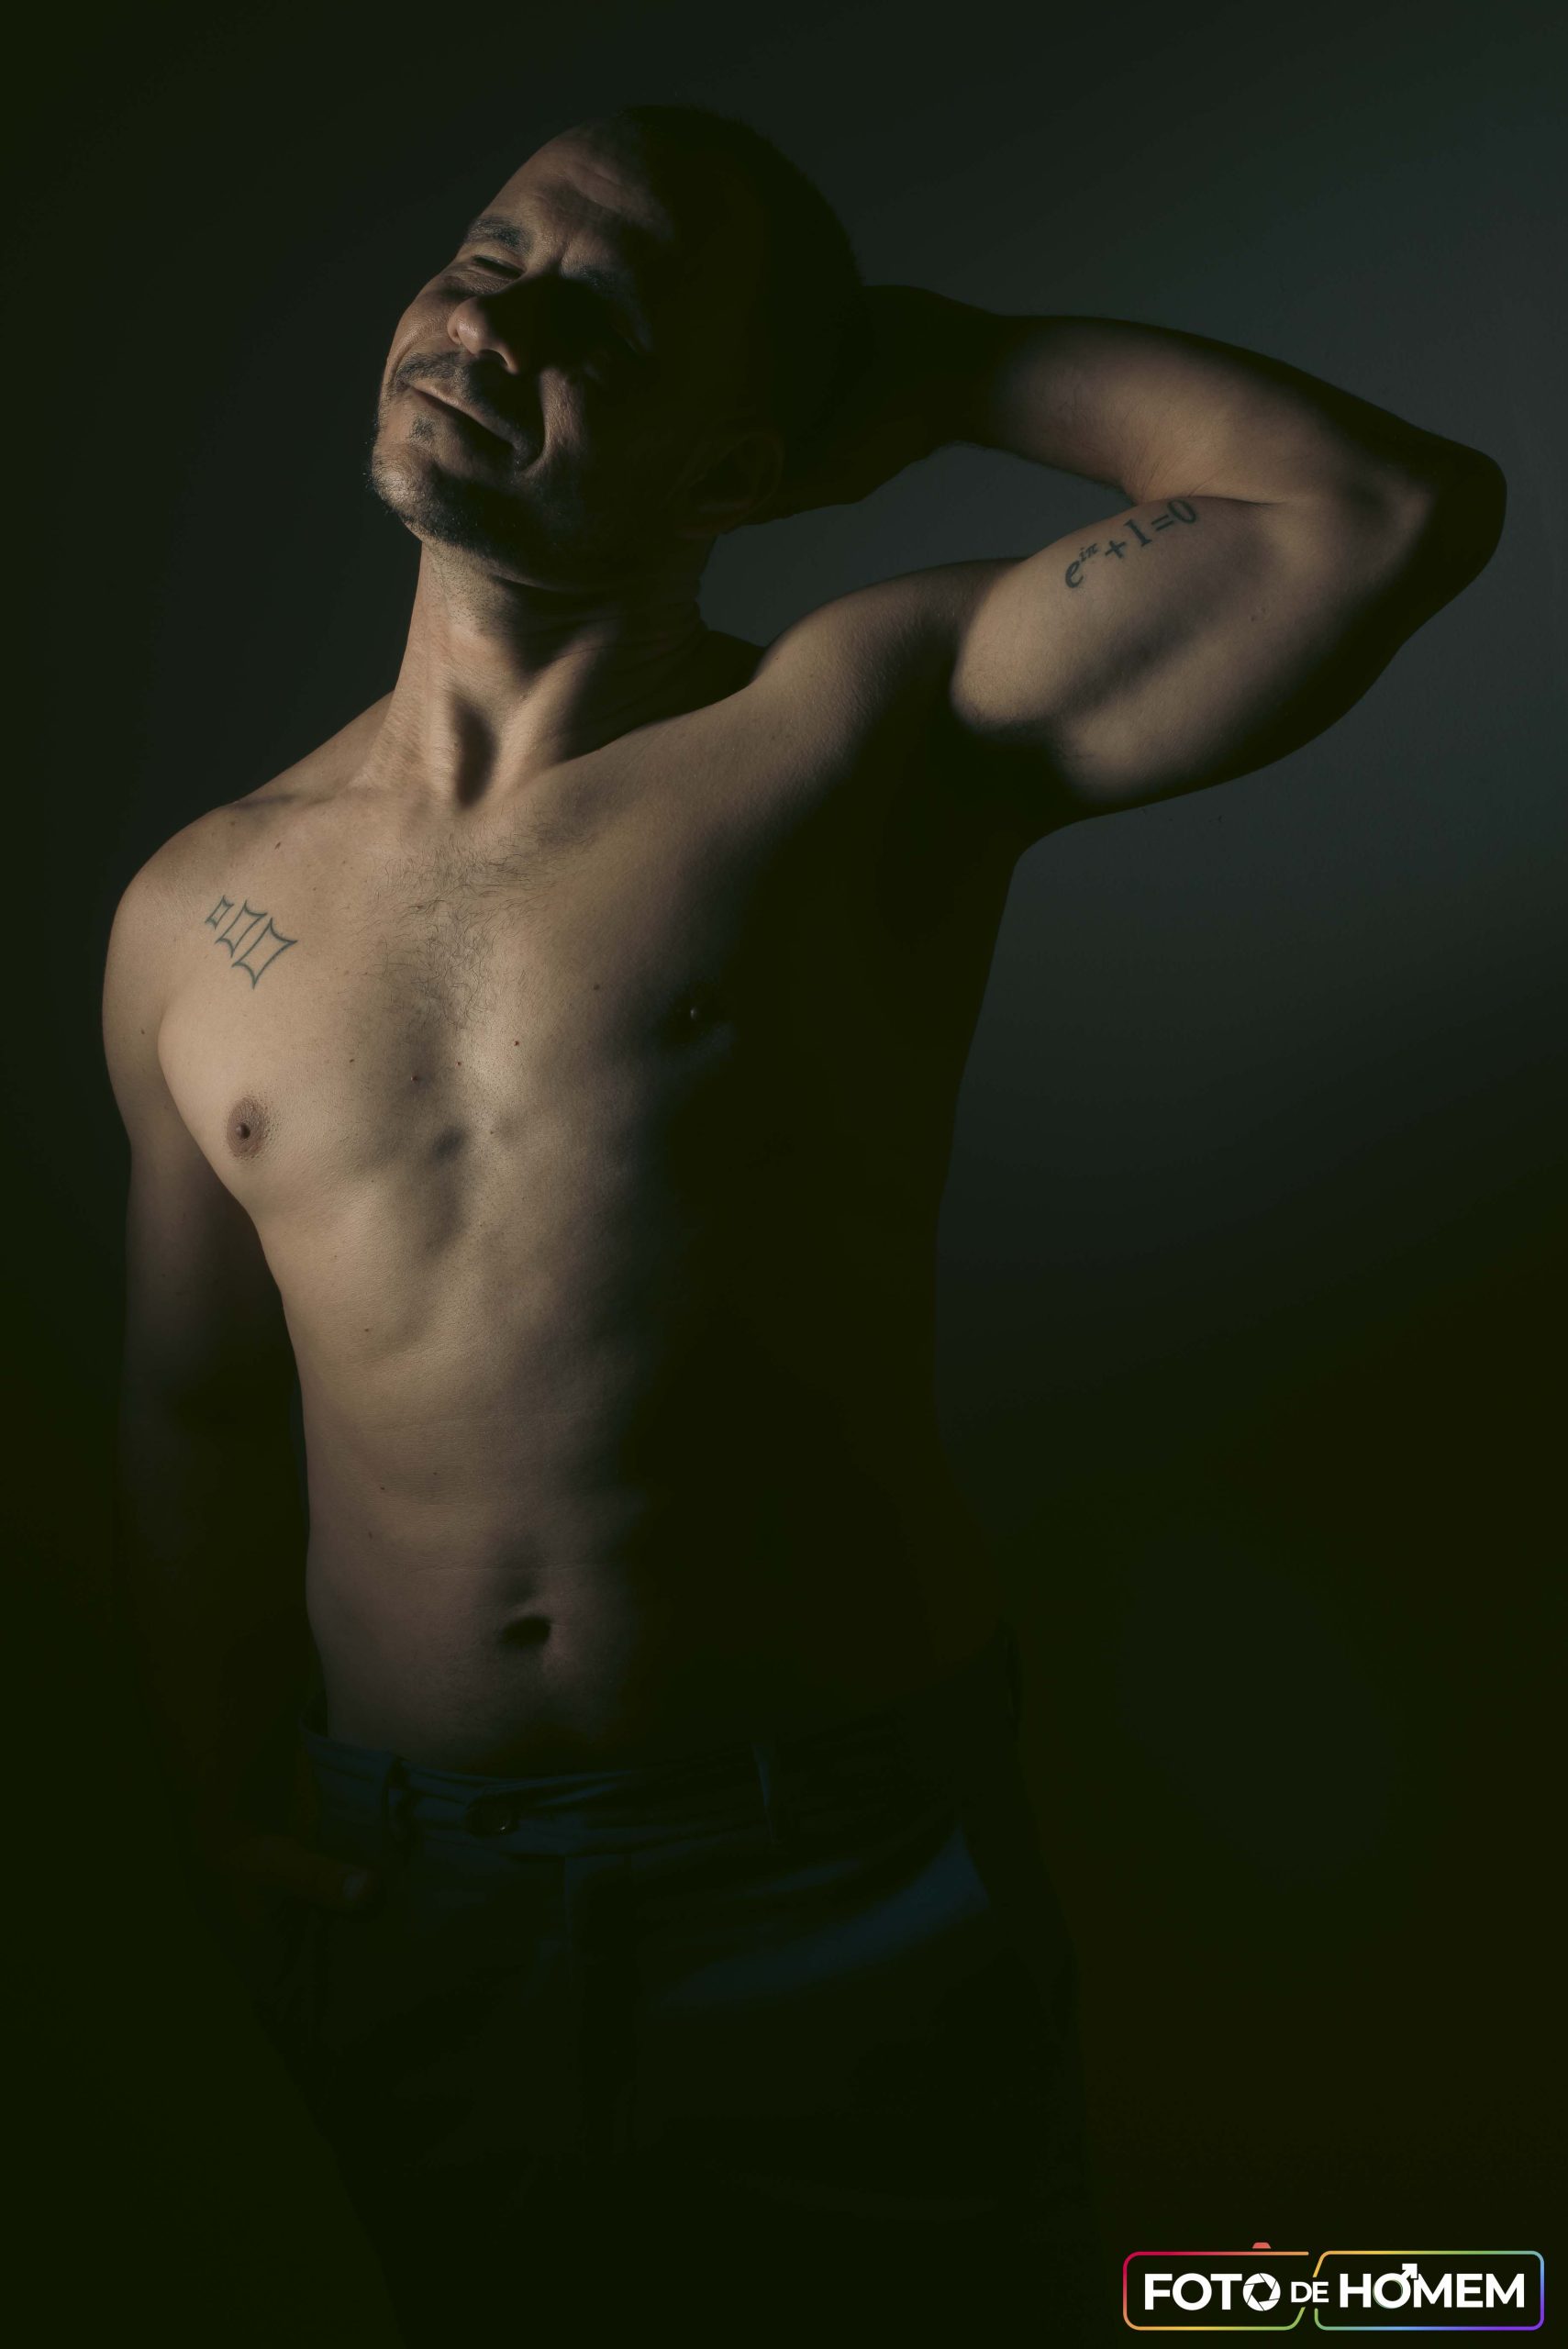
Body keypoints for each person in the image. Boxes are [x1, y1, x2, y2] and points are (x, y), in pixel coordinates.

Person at [101, 101, 1504, 2343]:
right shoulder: (195, 910)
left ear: (742, 468)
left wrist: (929, 367)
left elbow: (1382, 512)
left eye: (605, 319)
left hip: (825, 1860)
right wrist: (214, 1795)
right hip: (411, 1886)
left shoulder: (854, 731)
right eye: (490, 252)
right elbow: (193, 1404)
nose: (496, 318)